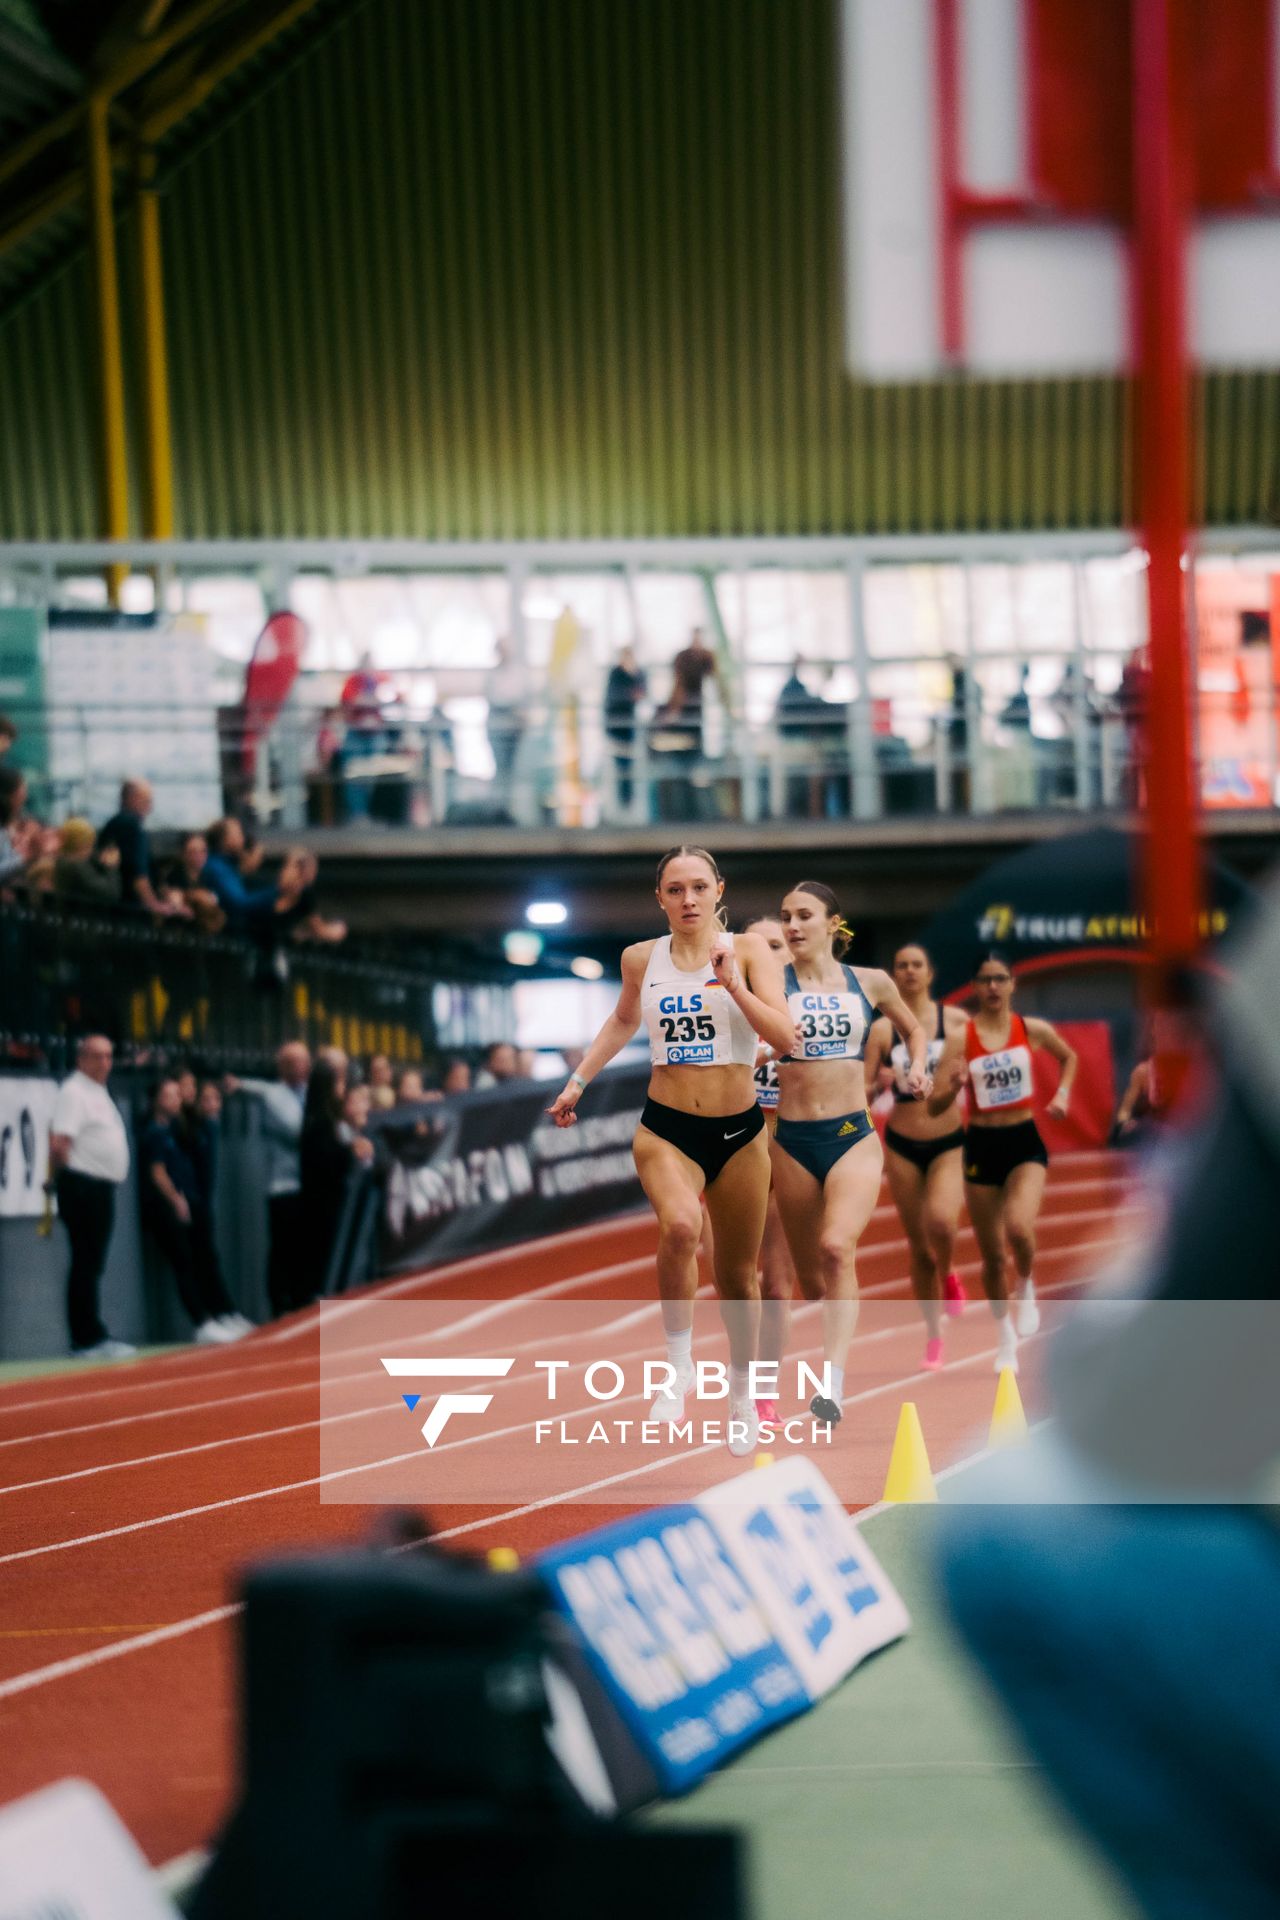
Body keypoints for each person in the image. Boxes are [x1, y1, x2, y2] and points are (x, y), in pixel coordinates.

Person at [547, 845, 795, 1457]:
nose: (688, 900)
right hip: (666, 1128)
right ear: (659, 898)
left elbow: (785, 1038)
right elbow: (622, 1021)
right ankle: (679, 1366)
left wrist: (732, 983)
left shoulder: (751, 951)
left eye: (698, 888)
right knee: (681, 1227)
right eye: (675, 889)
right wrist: (578, 1081)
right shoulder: (640, 958)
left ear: (718, 891)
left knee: (739, 1276)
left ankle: (741, 1395)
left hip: (740, 1133)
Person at [772, 883, 927, 1427]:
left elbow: (912, 1027)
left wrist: (918, 1065)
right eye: (786, 917)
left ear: (833, 924)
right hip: (790, 1141)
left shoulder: (871, 982)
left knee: (838, 1248)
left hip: (851, 1134)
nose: (792, 926)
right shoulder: (771, 981)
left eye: (804, 916)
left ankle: (830, 1387)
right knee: (813, 1281)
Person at [928, 950, 1077, 1373]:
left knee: (1019, 1227)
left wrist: (1063, 1093)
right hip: (982, 1145)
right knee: (992, 1256)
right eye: (985, 980)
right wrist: (952, 1085)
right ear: (975, 987)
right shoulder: (962, 1039)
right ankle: (1004, 1335)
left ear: (1013, 984)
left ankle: (1026, 1284)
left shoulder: (1031, 1029)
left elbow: (1069, 1057)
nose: (993, 987)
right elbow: (937, 1106)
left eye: (1000, 979)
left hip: (1023, 1141)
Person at [863, 943, 968, 1370]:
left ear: (929, 973)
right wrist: (879, 1083)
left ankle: (948, 1273)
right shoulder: (882, 1032)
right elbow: (862, 1092)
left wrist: (961, 1079)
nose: (908, 972)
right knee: (918, 1246)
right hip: (903, 1142)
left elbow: (978, 1068)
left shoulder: (957, 1023)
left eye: (916, 965)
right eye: (901, 965)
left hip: (947, 1141)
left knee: (942, 1221)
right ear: (894, 974)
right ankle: (934, 1334)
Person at [740, 913, 796, 1426]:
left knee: (778, 1284)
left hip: (792, 1145)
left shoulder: (813, 1006)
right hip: (734, 1142)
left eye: (777, 944)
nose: (769, 954)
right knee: (737, 1280)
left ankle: (764, 1389)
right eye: (758, 945)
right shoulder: (726, 996)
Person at [48, 1035, 135, 1359]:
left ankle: (91, 1333)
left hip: (98, 1186)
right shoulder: (74, 1092)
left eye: (109, 1056)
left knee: (92, 1261)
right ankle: (85, 1338)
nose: (104, 1063)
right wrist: (60, 1177)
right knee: (86, 1260)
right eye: (97, 1056)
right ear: (81, 1058)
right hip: (83, 1185)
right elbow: (60, 1142)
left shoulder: (96, 1092)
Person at [140, 1078, 244, 1344]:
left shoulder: (173, 1130)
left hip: (186, 1202)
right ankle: (201, 1321)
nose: (177, 1099)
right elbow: (157, 1171)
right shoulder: (155, 1132)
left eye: (178, 1094)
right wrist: (175, 1198)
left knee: (199, 1258)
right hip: (167, 1207)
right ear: (156, 1100)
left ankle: (218, 1313)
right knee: (184, 1261)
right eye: (170, 1095)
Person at [227, 1041, 311, 1318]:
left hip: (309, 1185)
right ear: (283, 1066)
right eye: (296, 1062)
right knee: (283, 1251)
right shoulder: (276, 1096)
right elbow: (300, 1130)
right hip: (284, 1186)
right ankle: (280, 1308)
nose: (304, 1066)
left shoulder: (309, 1093)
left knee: (303, 1251)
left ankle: (303, 1305)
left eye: (305, 1060)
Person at [300, 1053, 374, 1300]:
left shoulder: (330, 1122)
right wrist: (349, 1151)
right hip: (322, 1210)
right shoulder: (319, 1124)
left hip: (330, 1207)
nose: (343, 1089)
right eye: (339, 1083)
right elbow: (326, 1161)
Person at [98, 778, 189, 919]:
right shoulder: (131, 825)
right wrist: (153, 905)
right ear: (132, 798)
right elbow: (138, 874)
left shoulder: (114, 824)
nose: (150, 807)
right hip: (131, 910)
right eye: (147, 801)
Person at [201, 818, 297, 936]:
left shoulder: (228, 865)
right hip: (229, 937)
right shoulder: (218, 867)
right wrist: (278, 889)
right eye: (238, 833)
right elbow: (240, 904)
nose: (243, 838)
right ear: (225, 839)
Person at [486, 636, 530, 812]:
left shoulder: (517, 673)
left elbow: (522, 697)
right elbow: (495, 698)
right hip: (499, 725)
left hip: (515, 726)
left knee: (514, 768)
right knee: (501, 767)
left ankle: (512, 808)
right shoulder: (493, 675)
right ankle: (500, 808)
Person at [604, 645, 647, 814]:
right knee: (621, 765)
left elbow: (642, 693)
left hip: (630, 727)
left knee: (628, 765)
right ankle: (624, 801)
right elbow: (616, 696)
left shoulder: (637, 674)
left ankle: (628, 801)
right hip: (617, 727)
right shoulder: (616, 675)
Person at [52, 818, 122, 906]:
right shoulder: (75, 866)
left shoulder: (58, 859)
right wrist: (111, 867)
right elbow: (110, 893)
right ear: (84, 843)